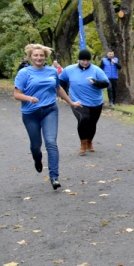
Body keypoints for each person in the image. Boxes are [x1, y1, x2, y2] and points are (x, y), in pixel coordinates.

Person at [13, 44, 81, 190]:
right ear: (31, 57)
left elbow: (58, 88)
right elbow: (16, 94)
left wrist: (71, 102)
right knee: (36, 145)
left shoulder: (52, 71)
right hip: (30, 113)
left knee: (51, 142)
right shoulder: (24, 73)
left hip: (50, 110)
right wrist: (29, 98)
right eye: (36, 55)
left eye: (41, 55)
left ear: (45, 57)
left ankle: (54, 177)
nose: (39, 58)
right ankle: (37, 159)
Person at [59, 49, 110, 155]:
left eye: (87, 60)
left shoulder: (96, 70)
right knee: (84, 119)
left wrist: (96, 82)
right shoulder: (69, 69)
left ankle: (89, 142)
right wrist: (64, 94)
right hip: (77, 101)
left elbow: (106, 83)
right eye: (83, 60)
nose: (85, 62)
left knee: (92, 123)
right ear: (79, 60)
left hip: (96, 102)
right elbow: (61, 81)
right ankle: (83, 144)